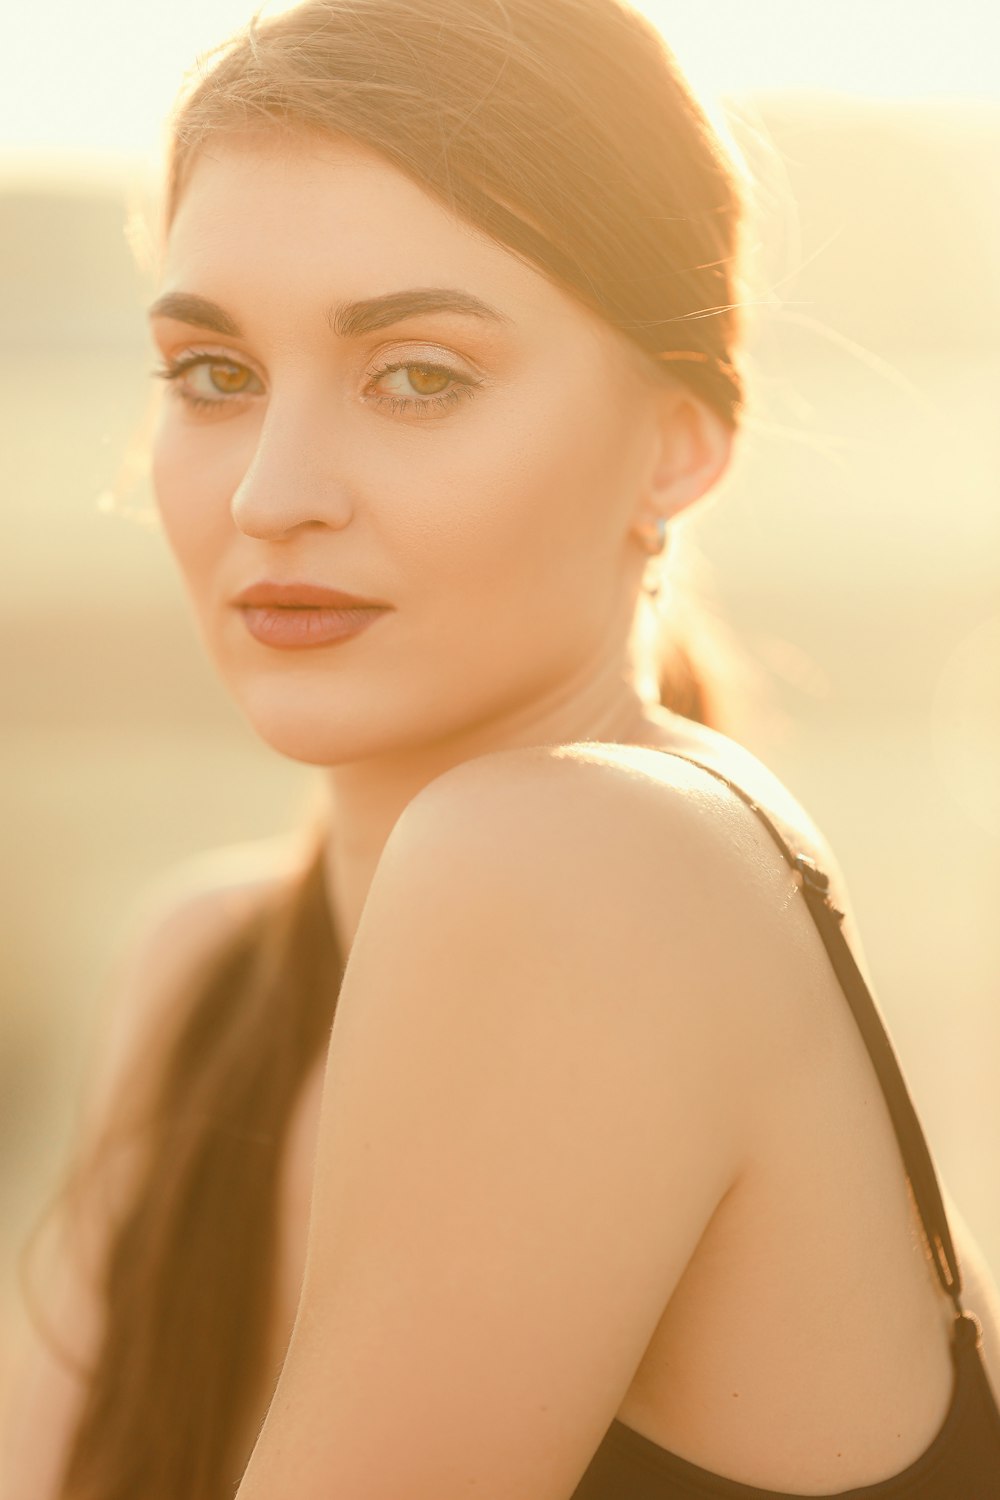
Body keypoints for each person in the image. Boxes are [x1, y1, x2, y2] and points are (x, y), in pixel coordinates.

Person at [3, 0, 1000, 1496]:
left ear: (676, 442)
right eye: (215, 375)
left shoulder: (589, 865)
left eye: (418, 375)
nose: (273, 494)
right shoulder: (203, 976)